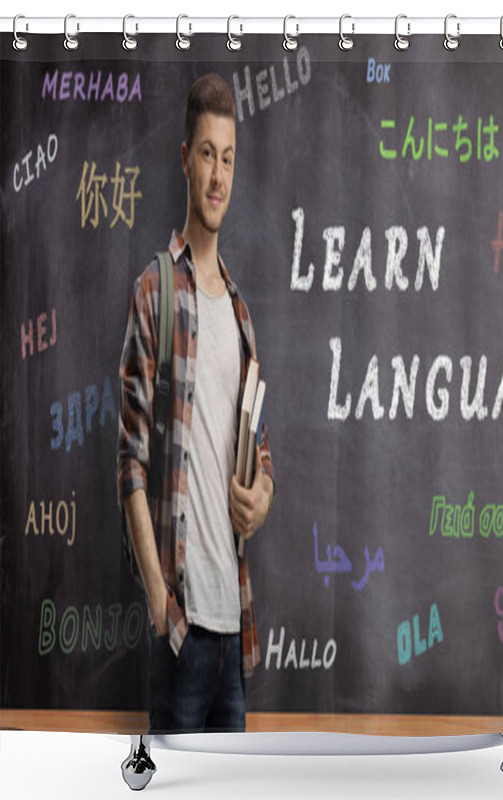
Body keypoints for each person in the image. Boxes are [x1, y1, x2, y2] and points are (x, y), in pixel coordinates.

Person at [117, 72, 274, 734]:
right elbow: (129, 458)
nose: (218, 176)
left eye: (229, 158)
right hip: (181, 632)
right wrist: (157, 594)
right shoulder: (154, 289)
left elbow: (259, 457)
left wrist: (262, 495)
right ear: (186, 159)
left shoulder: (242, 315)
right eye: (207, 154)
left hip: (234, 632)